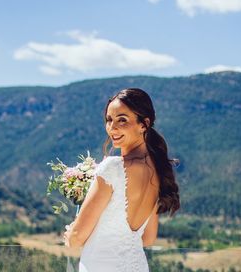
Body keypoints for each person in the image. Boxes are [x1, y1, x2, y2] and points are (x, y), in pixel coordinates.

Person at [63, 87, 180, 271]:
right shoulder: (158, 170)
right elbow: (148, 238)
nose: (112, 127)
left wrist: (70, 234)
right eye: (109, 120)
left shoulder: (113, 168)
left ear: (144, 124)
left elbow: (76, 237)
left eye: (122, 120)